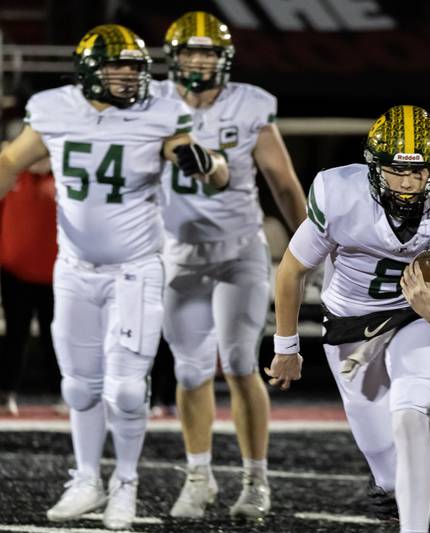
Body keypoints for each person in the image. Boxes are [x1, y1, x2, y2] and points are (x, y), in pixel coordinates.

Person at [0, 24, 228, 530]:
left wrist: (207, 164)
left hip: (134, 269)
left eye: (134, 66)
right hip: (74, 270)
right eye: (116, 66)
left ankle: (125, 484)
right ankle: (86, 479)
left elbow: (211, 168)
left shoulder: (159, 115)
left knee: (125, 388)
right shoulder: (55, 110)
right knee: (78, 387)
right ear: (88, 70)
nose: (128, 76)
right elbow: (11, 162)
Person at [265, 105, 430, 533]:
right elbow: (292, 269)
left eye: (419, 171)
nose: (406, 183)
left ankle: (417, 527)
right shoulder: (339, 193)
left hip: (413, 316)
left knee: (409, 415)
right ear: (373, 168)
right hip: (351, 322)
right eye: (394, 171)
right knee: (387, 475)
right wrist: (286, 347)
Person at [151, 11, 306, 520]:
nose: (200, 61)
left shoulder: (249, 104)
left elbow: (282, 183)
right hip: (178, 254)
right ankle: (198, 476)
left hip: (239, 250)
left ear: (224, 59)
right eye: (192, 52)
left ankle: (255, 480)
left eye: (209, 52)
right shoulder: (151, 104)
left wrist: (310, 244)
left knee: (241, 365)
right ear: (175, 58)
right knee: (190, 369)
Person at [0, 153, 59, 415]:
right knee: (15, 336)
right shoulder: (11, 176)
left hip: (56, 277)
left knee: (57, 338)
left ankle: (64, 392)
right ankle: (5, 393)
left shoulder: (66, 179)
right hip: (14, 274)